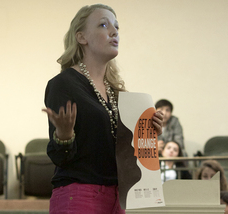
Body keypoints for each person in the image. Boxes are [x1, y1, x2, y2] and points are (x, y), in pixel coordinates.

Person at [42, 4, 163, 214]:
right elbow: (60, 158)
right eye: (103, 25)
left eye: (116, 27)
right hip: (79, 194)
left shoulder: (118, 93)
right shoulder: (64, 84)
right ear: (81, 37)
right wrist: (64, 135)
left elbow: (123, 150)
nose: (114, 32)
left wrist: (147, 131)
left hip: (120, 197)